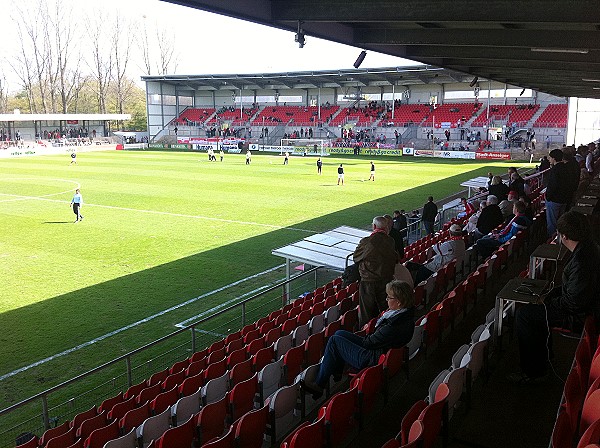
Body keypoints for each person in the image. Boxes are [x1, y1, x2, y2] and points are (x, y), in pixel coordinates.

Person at [512, 211, 600, 382]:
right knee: (536, 310)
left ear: (564, 236)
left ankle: (533, 372)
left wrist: (548, 302)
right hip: (587, 307)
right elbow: (575, 290)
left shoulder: (582, 262)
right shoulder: (589, 248)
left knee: (525, 316)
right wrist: (550, 295)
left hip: (581, 315)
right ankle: (543, 357)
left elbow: (573, 303)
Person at [303, 280, 415, 398]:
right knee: (339, 333)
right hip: (378, 351)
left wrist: (366, 335)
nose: (386, 299)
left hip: (371, 358)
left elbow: (368, 343)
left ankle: (319, 385)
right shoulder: (405, 316)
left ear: (398, 302)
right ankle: (336, 370)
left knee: (334, 341)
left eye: (389, 297)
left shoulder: (393, 325)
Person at [353, 216, 397, 327]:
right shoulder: (390, 241)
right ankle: (382, 329)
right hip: (386, 279)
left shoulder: (366, 242)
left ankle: (364, 334)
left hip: (369, 280)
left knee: (366, 311)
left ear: (374, 226)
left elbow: (356, 258)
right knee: (384, 307)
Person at [545, 149, 570, 236]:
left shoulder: (555, 169)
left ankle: (553, 244)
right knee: (560, 221)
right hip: (564, 198)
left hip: (554, 200)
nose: (549, 159)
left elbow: (553, 185)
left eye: (550, 157)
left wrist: (548, 197)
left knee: (552, 223)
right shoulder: (566, 167)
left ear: (554, 158)